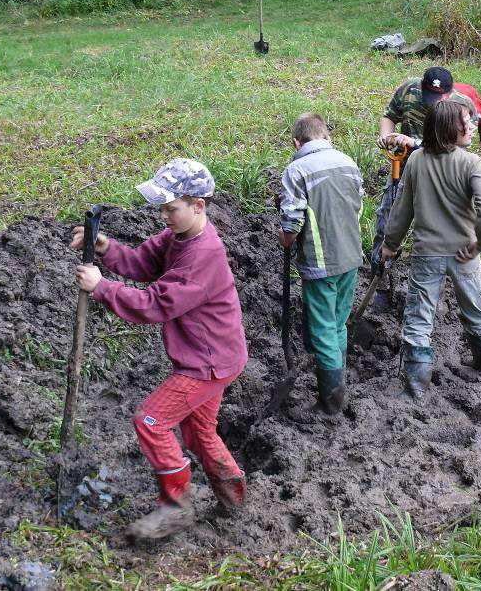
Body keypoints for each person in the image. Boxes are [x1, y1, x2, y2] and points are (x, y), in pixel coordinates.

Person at [71, 158, 247, 541]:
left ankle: (176, 508)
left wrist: (101, 287)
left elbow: (155, 304)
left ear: (198, 205)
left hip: (207, 362)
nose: (164, 215)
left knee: (151, 421)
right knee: (199, 431)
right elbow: (141, 261)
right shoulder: (177, 237)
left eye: (171, 208)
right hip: (215, 355)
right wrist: (104, 246)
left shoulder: (203, 255)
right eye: (162, 208)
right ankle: (234, 498)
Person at [381, 100, 481, 397]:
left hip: (426, 253)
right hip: (464, 253)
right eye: (466, 121)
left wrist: (390, 244)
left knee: (419, 317)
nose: (472, 126)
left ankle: (416, 385)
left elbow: (402, 209)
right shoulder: (472, 163)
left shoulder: (417, 160)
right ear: (450, 129)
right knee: (474, 307)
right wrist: (480, 244)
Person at [370, 66, 481, 310]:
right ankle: (381, 282)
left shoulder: (463, 108)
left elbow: (457, 148)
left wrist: (415, 143)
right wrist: (386, 137)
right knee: (387, 222)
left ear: (449, 92)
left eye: (440, 97)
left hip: (442, 177)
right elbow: (389, 114)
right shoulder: (408, 90)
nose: (435, 101)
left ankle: (441, 286)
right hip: (404, 170)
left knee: (440, 231)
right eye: (430, 96)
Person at [278, 113, 364, 414]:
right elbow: (358, 204)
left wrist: (286, 237)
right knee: (338, 323)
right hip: (351, 255)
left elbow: (291, 219)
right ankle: (336, 387)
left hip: (321, 261)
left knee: (323, 329)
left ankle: (331, 402)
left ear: (296, 141)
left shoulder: (296, 170)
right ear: (325, 135)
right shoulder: (349, 163)